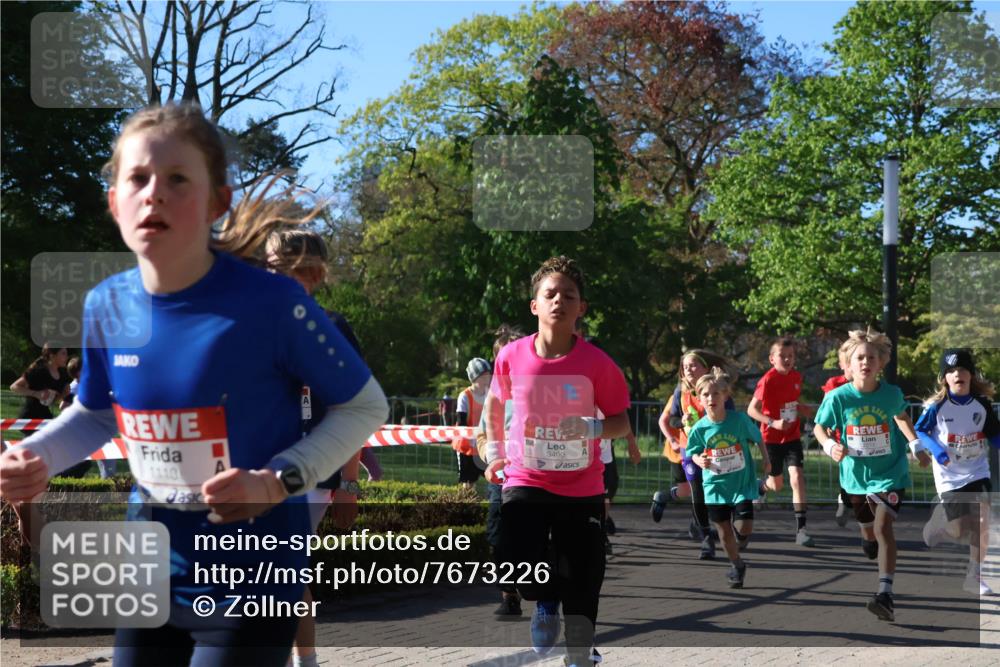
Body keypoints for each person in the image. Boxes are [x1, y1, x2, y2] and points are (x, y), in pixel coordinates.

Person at [0, 102, 388, 666]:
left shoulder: (274, 304)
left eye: (177, 178)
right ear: (115, 202)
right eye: (137, 178)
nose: (153, 193)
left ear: (216, 202)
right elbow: (98, 414)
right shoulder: (106, 304)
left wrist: (278, 482)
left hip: (253, 575)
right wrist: (36, 456)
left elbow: (364, 408)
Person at [482, 256, 630, 667]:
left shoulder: (598, 364)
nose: (558, 301)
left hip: (581, 485)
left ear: (581, 308)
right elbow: (495, 405)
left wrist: (592, 427)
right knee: (517, 561)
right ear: (535, 305)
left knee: (584, 578)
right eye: (550, 294)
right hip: (525, 477)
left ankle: (579, 655)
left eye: (569, 295)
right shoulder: (511, 356)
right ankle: (544, 597)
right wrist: (494, 453)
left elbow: (621, 421)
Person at [265, 227, 369, 667]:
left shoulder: (333, 327)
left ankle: (301, 661)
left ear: (316, 273)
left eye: (295, 265)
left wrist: (349, 481)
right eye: (274, 263)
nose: (282, 273)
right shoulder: (256, 326)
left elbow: (357, 409)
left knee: (280, 570)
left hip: (311, 472)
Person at [813, 328, 927, 623]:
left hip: (890, 473)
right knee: (868, 531)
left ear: (880, 363)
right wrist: (829, 445)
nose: (865, 362)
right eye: (859, 358)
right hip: (855, 477)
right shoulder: (838, 398)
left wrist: (916, 445)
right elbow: (819, 427)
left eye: (871, 357)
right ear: (849, 365)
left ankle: (885, 594)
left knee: (882, 527)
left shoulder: (891, 394)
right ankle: (867, 540)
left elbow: (902, 417)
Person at [915, 349, 1000, 596]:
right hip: (949, 476)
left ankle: (974, 576)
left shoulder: (981, 405)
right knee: (959, 530)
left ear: (971, 375)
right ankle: (940, 524)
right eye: (951, 371)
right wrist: (936, 451)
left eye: (962, 369)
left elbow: (994, 434)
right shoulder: (937, 407)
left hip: (977, 471)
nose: (957, 374)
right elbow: (921, 431)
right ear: (945, 378)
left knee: (982, 523)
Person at [651, 350, 746, 561]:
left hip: (716, 449)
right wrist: (681, 422)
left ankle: (731, 529)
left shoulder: (717, 388)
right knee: (698, 493)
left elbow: (731, 416)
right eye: (685, 367)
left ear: (704, 367)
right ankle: (706, 539)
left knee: (719, 491)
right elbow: (671, 419)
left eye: (693, 365)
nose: (689, 370)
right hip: (690, 450)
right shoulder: (680, 392)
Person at [686, 367, 770, 588]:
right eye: (705, 394)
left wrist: (766, 460)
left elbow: (758, 438)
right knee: (723, 530)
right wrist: (699, 460)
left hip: (741, 483)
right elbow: (692, 452)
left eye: (715, 393)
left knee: (744, 529)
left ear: (724, 396)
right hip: (715, 486)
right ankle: (737, 565)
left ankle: (739, 543)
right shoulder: (699, 428)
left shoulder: (739, 420)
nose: (711, 398)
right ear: (699, 398)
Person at [746, 338, 816, 546]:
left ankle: (801, 530)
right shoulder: (767, 380)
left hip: (792, 436)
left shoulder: (796, 376)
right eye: (782, 356)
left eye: (791, 356)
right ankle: (762, 487)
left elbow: (790, 401)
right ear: (772, 359)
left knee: (797, 478)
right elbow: (752, 410)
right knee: (776, 485)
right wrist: (773, 422)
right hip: (771, 438)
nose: (787, 359)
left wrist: (801, 407)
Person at [476, 324, 525, 617]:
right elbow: (482, 435)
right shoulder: (495, 394)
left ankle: (541, 590)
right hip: (501, 478)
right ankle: (509, 594)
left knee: (532, 535)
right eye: (501, 357)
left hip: (534, 476)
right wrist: (490, 457)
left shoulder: (538, 388)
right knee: (498, 534)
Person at [9, 344, 87, 477]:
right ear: (52, 355)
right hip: (30, 417)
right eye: (63, 353)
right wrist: (36, 393)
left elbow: (54, 400)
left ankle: (58, 481)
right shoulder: (38, 370)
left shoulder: (62, 374)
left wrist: (63, 395)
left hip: (45, 417)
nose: (66, 357)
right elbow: (14, 387)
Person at [821, 349, 852, 527]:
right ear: (842, 365)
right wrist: (829, 429)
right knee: (848, 472)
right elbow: (825, 411)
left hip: (865, 434)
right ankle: (845, 499)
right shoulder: (834, 383)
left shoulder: (869, 384)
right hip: (843, 437)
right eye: (846, 363)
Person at [454, 357, 491, 489]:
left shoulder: (490, 395)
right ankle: (467, 507)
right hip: (465, 447)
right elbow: (461, 421)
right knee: (468, 484)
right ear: (476, 378)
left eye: (489, 375)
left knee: (493, 477)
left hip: (483, 444)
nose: (489, 378)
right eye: (485, 375)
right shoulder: (465, 396)